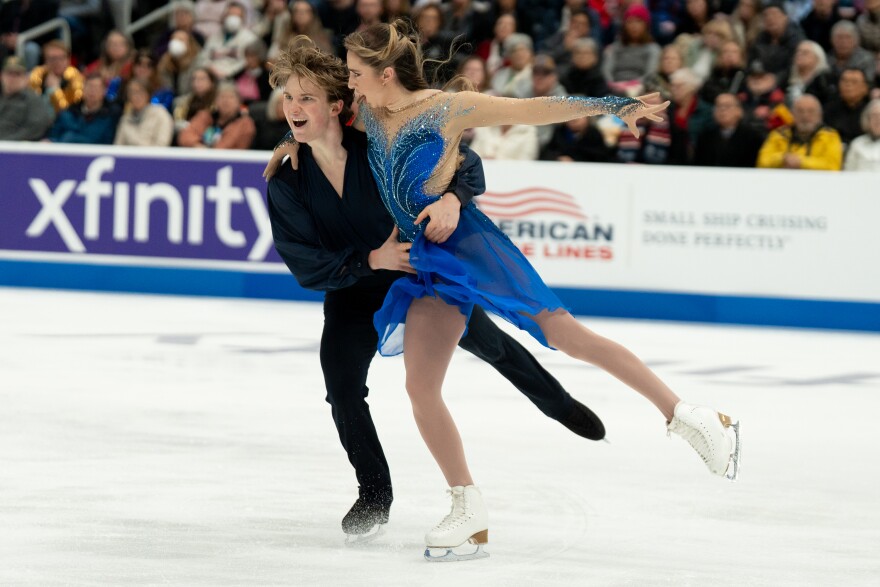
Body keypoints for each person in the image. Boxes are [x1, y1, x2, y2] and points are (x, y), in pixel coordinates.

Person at [271, 22, 741, 559]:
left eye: (355, 74)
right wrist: (288, 141)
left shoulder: (448, 108)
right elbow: (314, 117)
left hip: (467, 244)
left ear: (383, 73)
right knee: (420, 388)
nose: (349, 84)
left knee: (562, 333)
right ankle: (468, 510)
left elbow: (534, 108)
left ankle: (689, 416)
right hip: (422, 262)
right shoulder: (368, 113)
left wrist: (613, 104)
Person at [263, 39, 605, 540]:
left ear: (336, 105)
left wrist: (451, 197)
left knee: (492, 344)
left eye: (307, 98)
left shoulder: (376, 142)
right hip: (355, 287)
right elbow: (304, 263)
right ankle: (374, 491)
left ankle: (556, 401)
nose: (293, 109)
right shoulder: (287, 180)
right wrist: (369, 259)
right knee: (340, 385)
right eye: (288, 98)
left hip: (421, 276)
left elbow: (462, 163)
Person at [757, 93, 843, 170]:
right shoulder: (779, 134)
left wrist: (800, 162)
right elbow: (762, 162)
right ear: (792, 114)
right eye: (800, 111)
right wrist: (782, 158)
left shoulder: (830, 136)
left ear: (820, 115)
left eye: (811, 111)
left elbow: (833, 166)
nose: (805, 116)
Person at [692, 92, 765, 167]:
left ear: (739, 111)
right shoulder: (705, 137)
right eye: (719, 106)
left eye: (727, 106)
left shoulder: (753, 137)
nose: (722, 110)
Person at [46, 73, 121, 144]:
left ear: (104, 91)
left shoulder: (111, 115)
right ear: (83, 89)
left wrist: (69, 137)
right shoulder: (68, 113)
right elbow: (53, 137)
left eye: (97, 88)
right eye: (89, 86)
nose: (92, 91)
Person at [177, 82, 255, 148]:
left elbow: (226, 147)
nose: (226, 101)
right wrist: (197, 146)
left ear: (239, 102)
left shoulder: (245, 123)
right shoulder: (205, 116)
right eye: (222, 97)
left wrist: (209, 153)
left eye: (230, 97)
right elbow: (185, 136)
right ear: (215, 101)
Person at [0, 56, 55, 141]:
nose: (13, 78)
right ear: (1, 76)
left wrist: (6, 142)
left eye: (18, 74)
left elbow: (35, 128)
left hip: (16, 149)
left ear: (26, 78)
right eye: (9, 73)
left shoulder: (33, 100)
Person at [113, 79, 175, 147]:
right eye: (132, 92)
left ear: (148, 93)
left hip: (153, 156)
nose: (136, 96)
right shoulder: (125, 119)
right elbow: (118, 147)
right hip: (129, 157)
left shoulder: (161, 114)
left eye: (140, 91)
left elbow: (162, 145)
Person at [29, 40, 84, 114]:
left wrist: (54, 90)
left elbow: (70, 112)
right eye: (53, 59)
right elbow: (32, 105)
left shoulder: (75, 77)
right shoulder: (37, 74)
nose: (57, 62)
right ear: (45, 61)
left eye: (61, 58)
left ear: (68, 60)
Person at [843, 98, 880, 170]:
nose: (878, 120)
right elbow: (848, 172)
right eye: (874, 116)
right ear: (867, 119)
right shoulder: (857, 144)